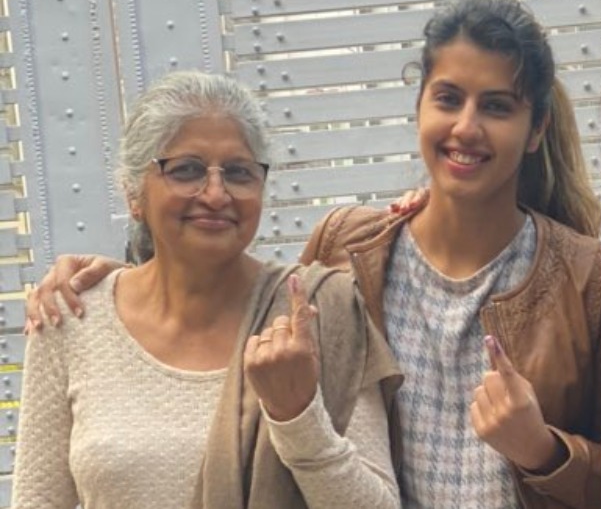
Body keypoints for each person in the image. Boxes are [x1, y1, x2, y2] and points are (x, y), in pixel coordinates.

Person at [28, 0, 601, 509]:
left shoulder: (588, 276)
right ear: (419, 105)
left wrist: (543, 453)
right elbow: (211, 283)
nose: (466, 127)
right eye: (449, 98)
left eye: (496, 106)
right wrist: (113, 277)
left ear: (537, 127)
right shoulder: (349, 251)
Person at [13, 72, 401, 508]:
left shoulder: (317, 315)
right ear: (133, 194)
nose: (216, 194)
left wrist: (297, 418)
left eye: (238, 172)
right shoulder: (71, 316)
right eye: (186, 170)